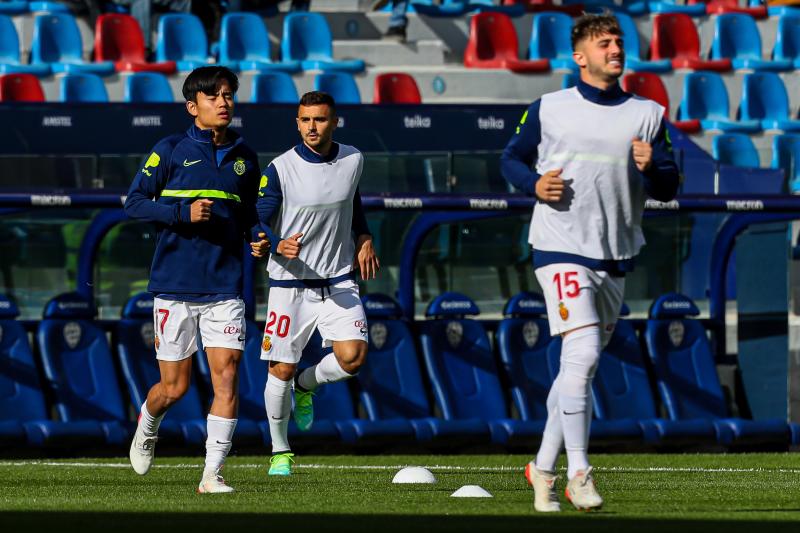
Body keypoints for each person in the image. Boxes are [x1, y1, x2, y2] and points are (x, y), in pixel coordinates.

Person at [500, 12, 679, 512]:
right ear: (580, 57)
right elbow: (510, 157)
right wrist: (531, 184)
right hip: (559, 248)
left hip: (615, 255)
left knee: (578, 370)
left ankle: (541, 467)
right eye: (604, 43)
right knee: (580, 357)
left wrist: (654, 167)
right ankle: (579, 472)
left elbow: (668, 185)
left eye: (618, 41)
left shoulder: (648, 112)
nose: (615, 48)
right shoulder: (550, 107)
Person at [124, 66, 269, 493]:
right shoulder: (168, 150)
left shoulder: (245, 157)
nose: (224, 102)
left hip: (226, 287)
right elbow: (133, 203)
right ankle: (148, 424)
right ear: (193, 106)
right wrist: (179, 213)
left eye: (228, 95)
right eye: (214, 96)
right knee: (175, 387)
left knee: (227, 375)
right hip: (174, 287)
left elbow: (249, 217)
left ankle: (212, 475)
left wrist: (259, 239)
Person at [255, 91, 379, 476]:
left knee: (353, 358)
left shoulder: (353, 158)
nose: (312, 127)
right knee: (280, 370)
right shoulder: (280, 169)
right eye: (305, 120)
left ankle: (308, 386)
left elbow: (350, 201)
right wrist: (276, 243)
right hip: (289, 285)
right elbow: (255, 220)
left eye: (320, 120)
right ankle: (280, 451)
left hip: (338, 279)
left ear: (334, 122)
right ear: (297, 122)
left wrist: (364, 237)